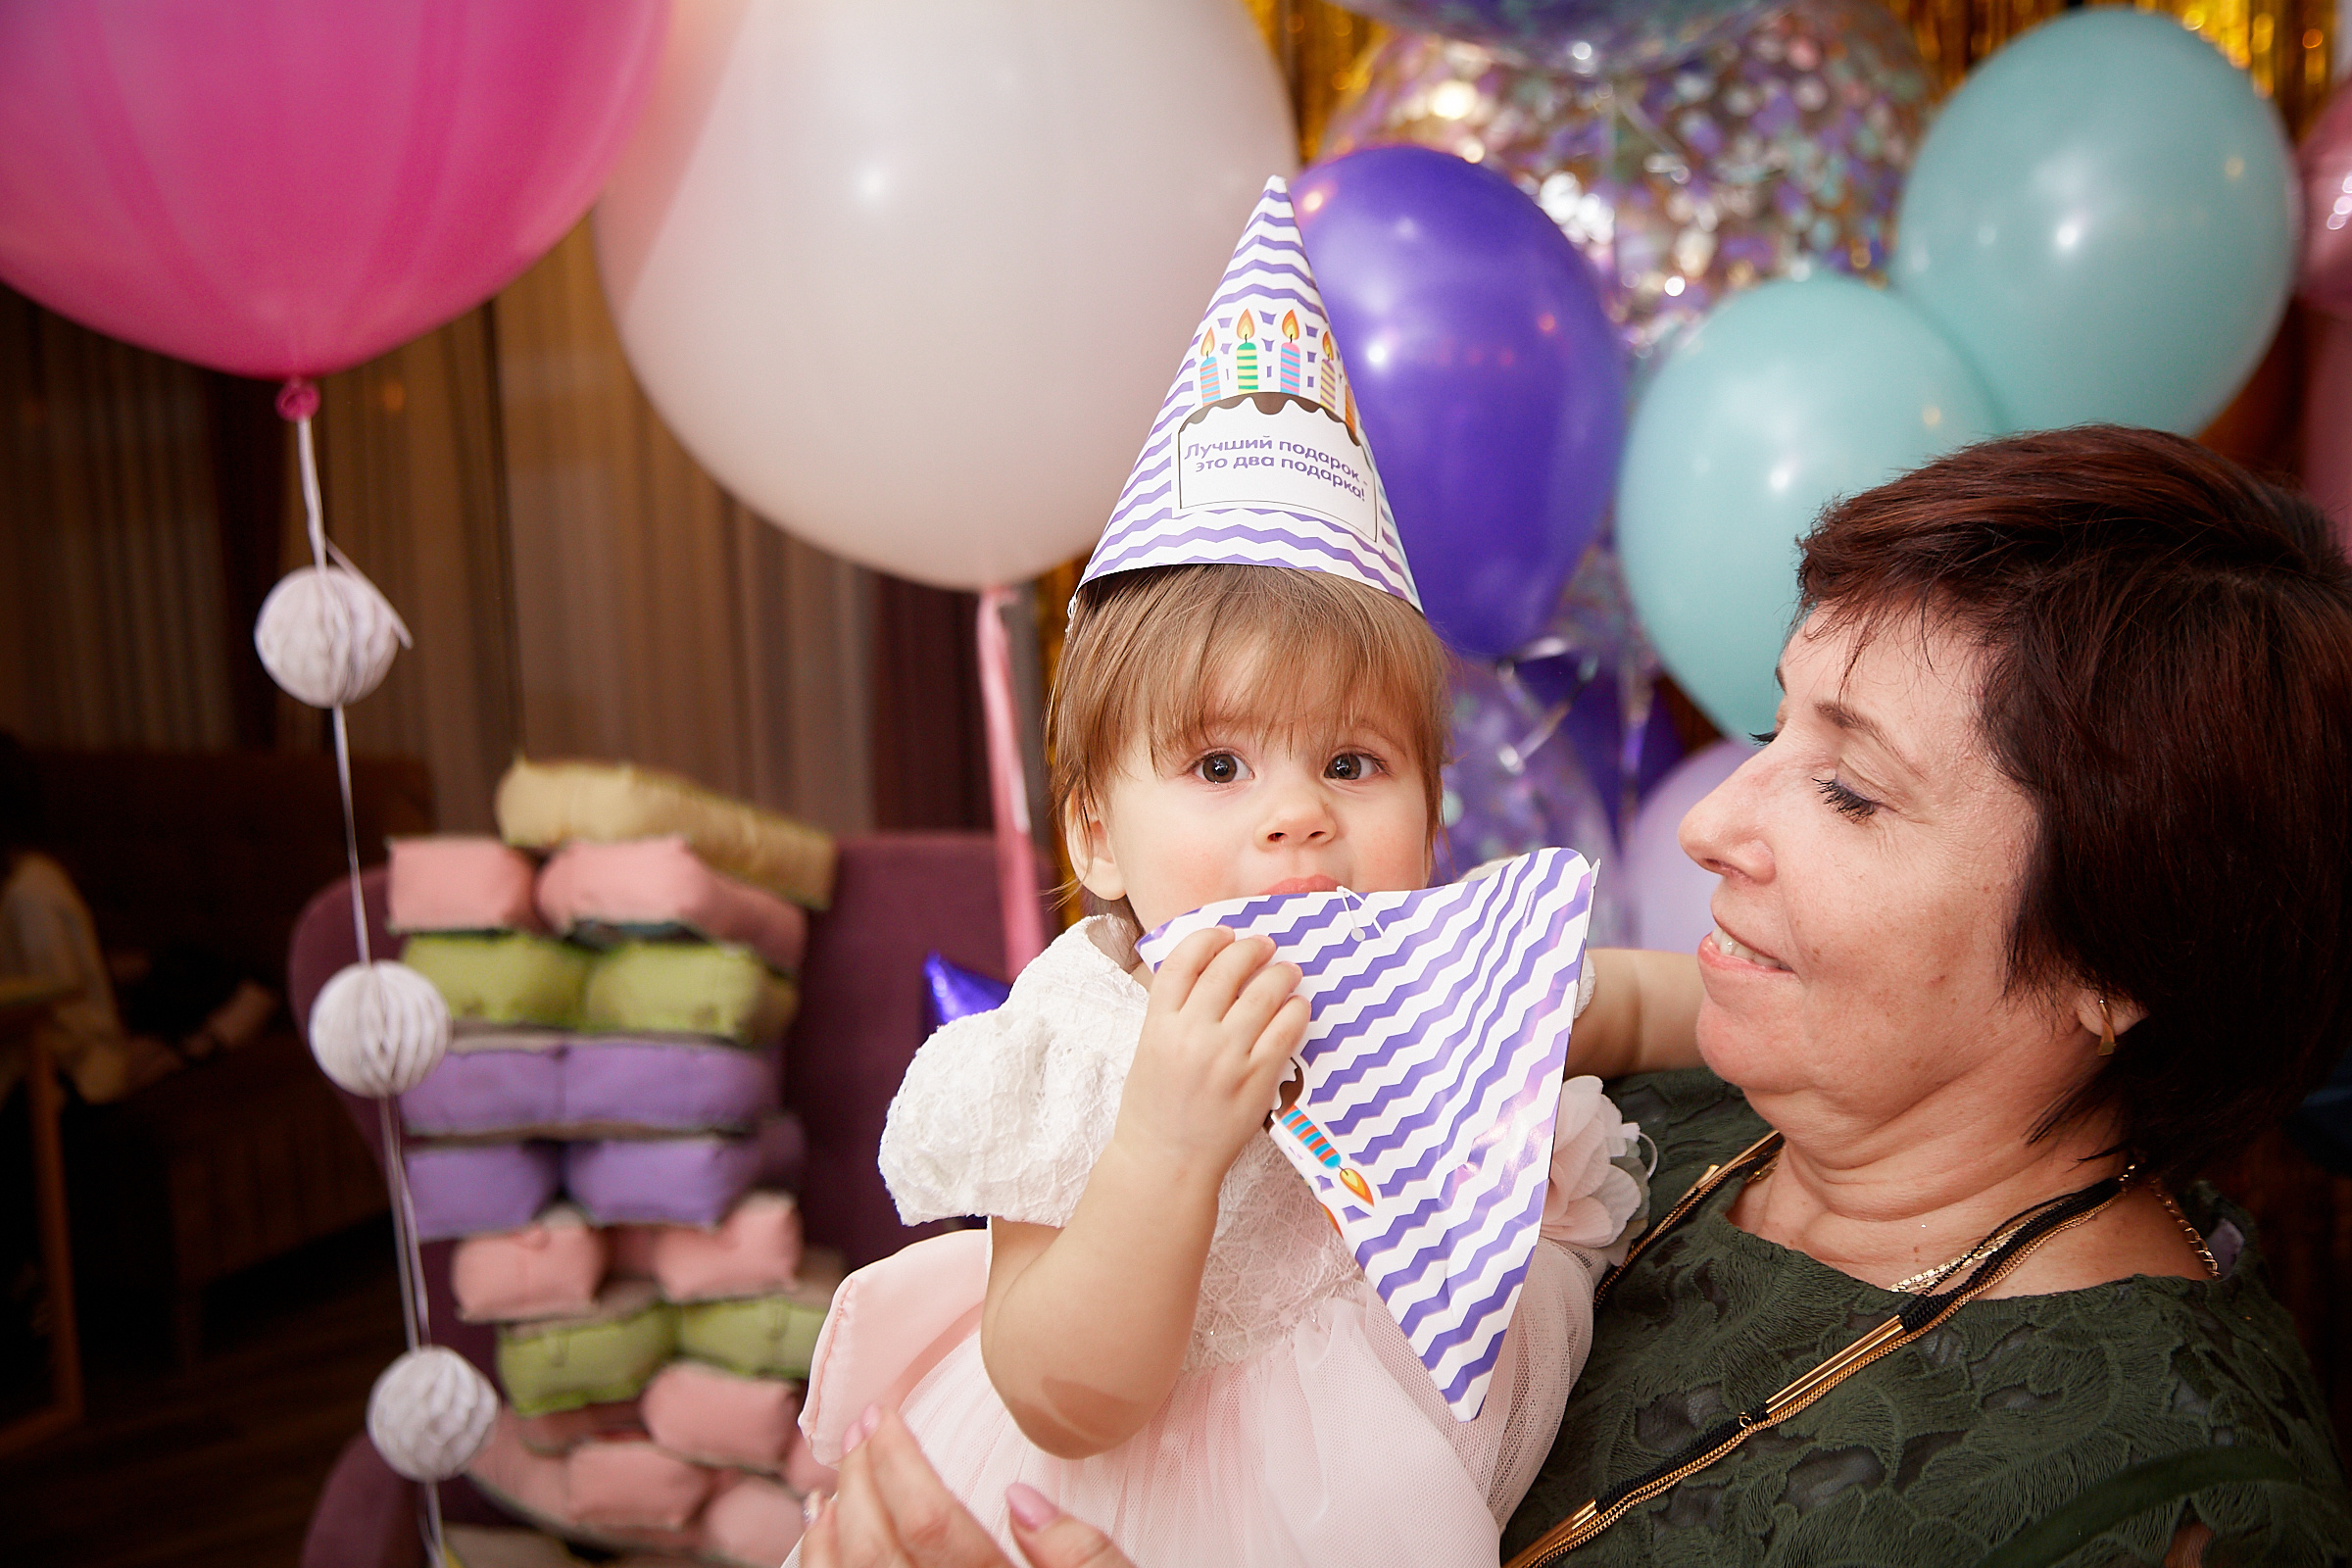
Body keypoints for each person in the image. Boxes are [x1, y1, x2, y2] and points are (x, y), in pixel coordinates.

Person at [800, 424, 2352, 1566]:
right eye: (1771, 730)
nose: (1711, 824)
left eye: (1854, 794)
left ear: (2114, 956)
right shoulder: (1651, 1128)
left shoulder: (2151, 1499)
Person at [790, 180, 1646, 1568]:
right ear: (1094, 838)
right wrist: (1168, 1145)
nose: (1300, 817)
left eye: (1353, 767)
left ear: (1435, 805)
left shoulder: (1443, 981)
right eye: (1219, 768)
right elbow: (1068, 1398)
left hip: (1383, 1446)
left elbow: (1617, 1000)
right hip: (1154, 1499)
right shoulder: (1081, 1044)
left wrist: (1733, 1007)